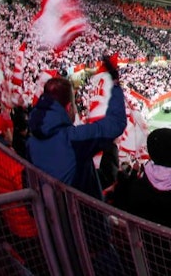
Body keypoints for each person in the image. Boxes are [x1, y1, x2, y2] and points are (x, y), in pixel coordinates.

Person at [27, 59, 126, 199]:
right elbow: (117, 124)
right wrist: (115, 84)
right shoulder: (74, 139)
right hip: (78, 215)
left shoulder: (30, 142)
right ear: (68, 108)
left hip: (49, 213)